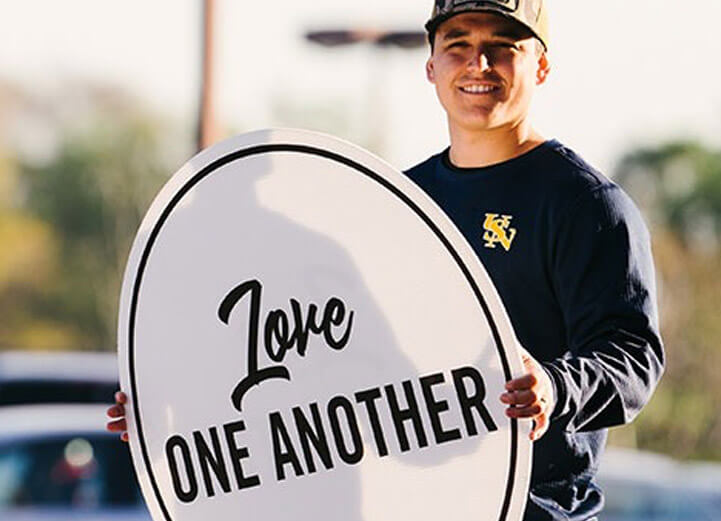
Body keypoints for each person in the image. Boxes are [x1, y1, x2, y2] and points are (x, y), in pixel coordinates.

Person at [110, 1, 665, 520]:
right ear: (430, 67)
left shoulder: (584, 204)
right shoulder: (401, 200)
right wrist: (179, 404)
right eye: (458, 43)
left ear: (541, 66)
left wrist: (552, 386)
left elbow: (633, 358)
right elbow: (328, 358)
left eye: (504, 45)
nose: (479, 63)